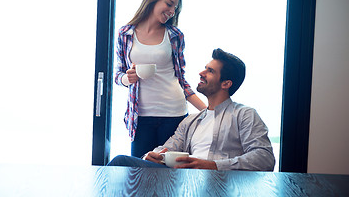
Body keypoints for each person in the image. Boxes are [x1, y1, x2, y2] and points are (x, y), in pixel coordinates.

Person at [109, 48, 275, 171]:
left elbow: (264, 158)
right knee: (123, 167)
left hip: (224, 183)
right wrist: (152, 156)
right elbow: (168, 148)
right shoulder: (191, 121)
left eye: (210, 71)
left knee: (120, 162)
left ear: (226, 83)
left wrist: (213, 166)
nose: (201, 73)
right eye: (205, 68)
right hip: (185, 181)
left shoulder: (244, 114)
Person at [114, 0, 206, 158]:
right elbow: (118, 74)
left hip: (174, 112)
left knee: (171, 174)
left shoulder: (175, 36)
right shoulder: (125, 33)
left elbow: (181, 78)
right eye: (169, 4)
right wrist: (127, 79)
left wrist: (208, 111)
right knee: (139, 172)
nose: (172, 11)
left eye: (175, 9)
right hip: (140, 116)